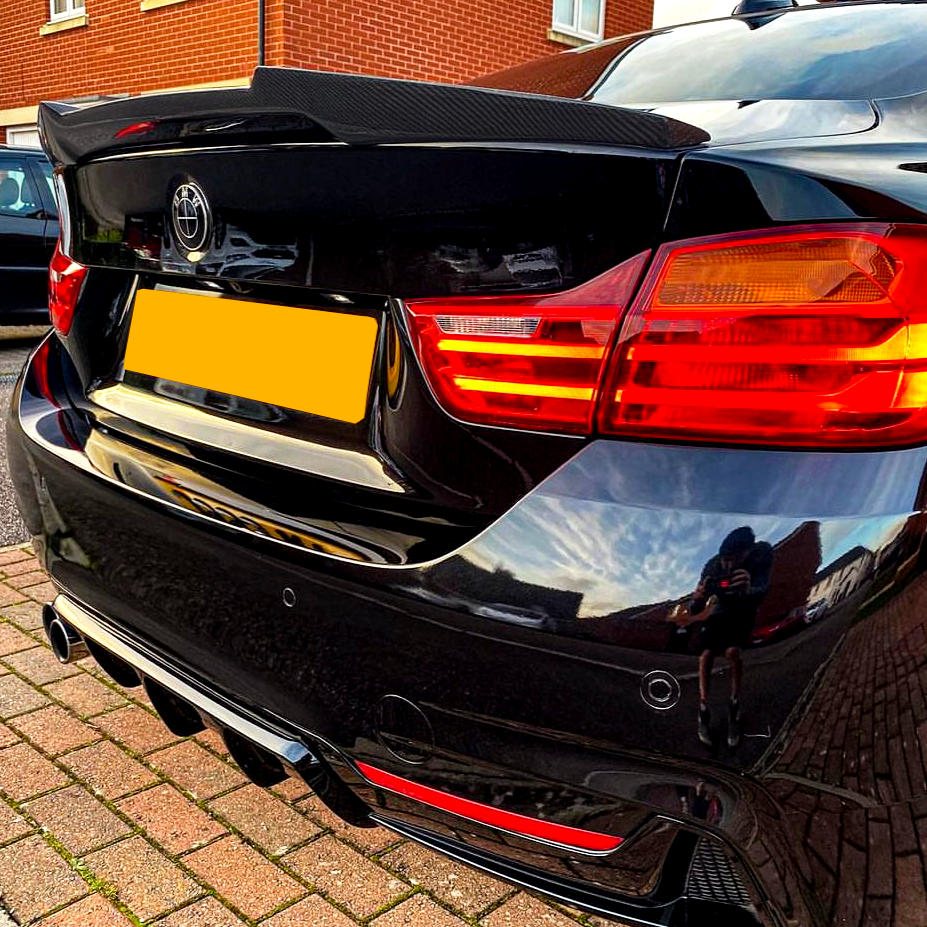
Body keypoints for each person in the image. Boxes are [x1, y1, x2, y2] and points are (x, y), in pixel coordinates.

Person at [690, 526, 772, 748]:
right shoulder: (712, 566)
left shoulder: (761, 555)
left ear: (748, 552)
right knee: (706, 654)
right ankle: (703, 708)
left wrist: (749, 589)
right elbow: (695, 608)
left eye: (734, 560)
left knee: (732, 652)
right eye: (725, 560)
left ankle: (734, 704)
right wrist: (697, 599)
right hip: (720, 612)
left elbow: (763, 590)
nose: (728, 565)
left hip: (744, 612)